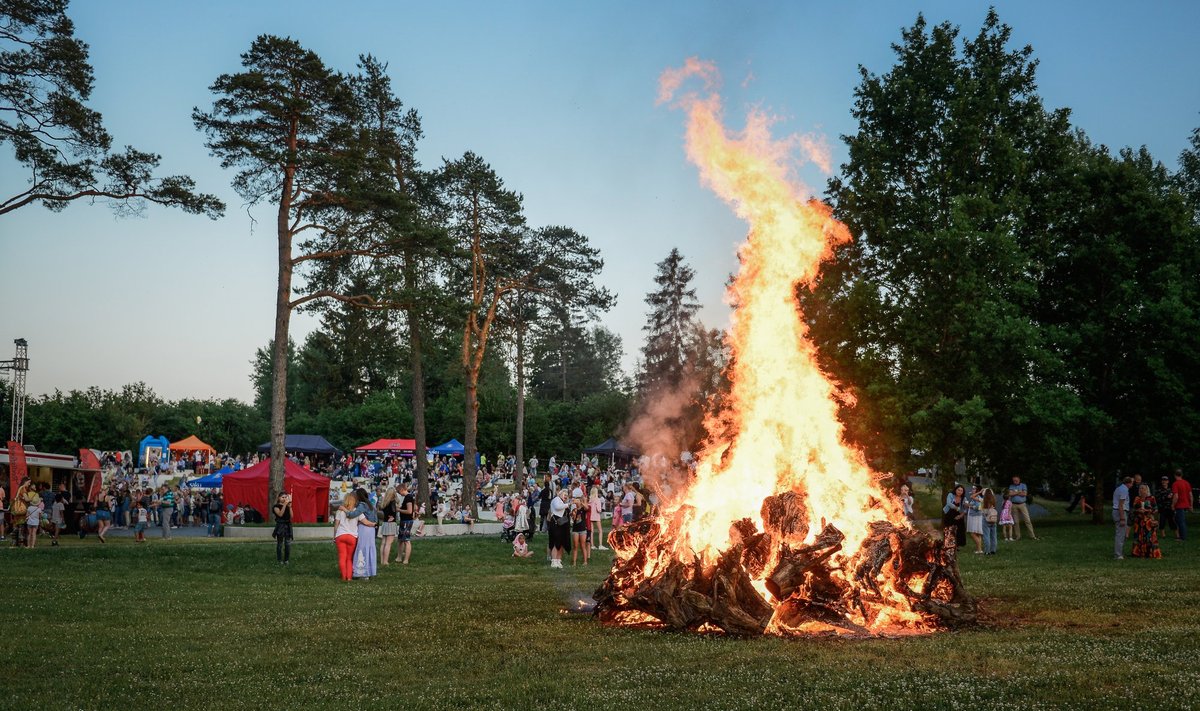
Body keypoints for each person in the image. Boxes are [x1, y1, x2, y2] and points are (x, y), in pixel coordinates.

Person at [351, 487, 378, 580]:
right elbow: (376, 519)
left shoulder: (362, 505)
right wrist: (373, 524)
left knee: (362, 548)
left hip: (364, 529)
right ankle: (370, 571)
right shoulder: (371, 505)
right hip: (371, 530)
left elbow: (354, 514)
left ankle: (362, 572)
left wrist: (345, 511)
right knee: (370, 548)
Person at [1131, 484, 1161, 559]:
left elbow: (1156, 508)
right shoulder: (1137, 498)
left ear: (1147, 490)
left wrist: (1148, 511)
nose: (1141, 490)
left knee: (1149, 536)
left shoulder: (1151, 498)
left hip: (1149, 520)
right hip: (1139, 521)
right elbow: (1133, 509)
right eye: (1140, 488)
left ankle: (1150, 553)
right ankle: (1138, 553)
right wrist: (1138, 510)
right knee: (1139, 537)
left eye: (1143, 488)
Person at [333, 494, 359, 581]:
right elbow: (363, 521)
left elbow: (336, 524)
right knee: (349, 558)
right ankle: (349, 577)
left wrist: (334, 536)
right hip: (352, 536)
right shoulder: (357, 511)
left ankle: (343, 577)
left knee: (342, 557)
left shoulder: (340, 511)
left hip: (341, 535)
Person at [548, 488, 570, 568]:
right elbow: (557, 507)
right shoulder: (556, 500)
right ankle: (554, 560)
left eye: (567, 495)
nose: (566, 496)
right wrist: (568, 504)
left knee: (561, 543)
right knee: (555, 542)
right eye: (564, 494)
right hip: (556, 523)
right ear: (560, 494)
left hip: (562, 524)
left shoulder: (563, 502)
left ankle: (558, 560)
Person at [378, 487, 398, 565]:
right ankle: (386, 561)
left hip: (385, 523)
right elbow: (393, 512)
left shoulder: (384, 503)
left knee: (383, 542)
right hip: (391, 523)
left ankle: (382, 560)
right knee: (388, 543)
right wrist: (393, 516)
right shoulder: (392, 502)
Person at [1113, 475, 1131, 560]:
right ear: (1128, 483)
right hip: (1120, 512)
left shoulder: (1118, 488)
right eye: (1132, 483)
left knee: (1119, 533)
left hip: (1116, 511)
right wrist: (1122, 518)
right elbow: (1121, 505)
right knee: (1120, 534)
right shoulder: (1124, 490)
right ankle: (1118, 554)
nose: (1132, 485)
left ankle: (1118, 553)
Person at [1170, 469, 1192, 542]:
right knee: (1179, 520)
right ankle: (1181, 536)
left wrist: (1173, 505)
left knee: (1181, 521)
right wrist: (1191, 505)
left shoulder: (1175, 484)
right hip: (1186, 504)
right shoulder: (1186, 483)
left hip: (1179, 505)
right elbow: (1190, 495)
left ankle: (1183, 538)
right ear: (1181, 475)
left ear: (1175, 475)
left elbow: (1176, 496)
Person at [396, 483, 415, 565]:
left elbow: (409, 511)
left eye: (398, 491)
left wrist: (399, 510)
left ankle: (406, 559)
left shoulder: (408, 498)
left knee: (406, 540)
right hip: (404, 520)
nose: (398, 493)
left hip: (407, 521)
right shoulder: (407, 498)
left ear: (401, 489)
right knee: (400, 540)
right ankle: (399, 557)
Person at [272, 492, 293, 564]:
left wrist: (290, 507)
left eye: (285, 497)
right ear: (279, 498)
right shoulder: (276, 506)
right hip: (280, 526)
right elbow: (280, 514)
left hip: (288, 526)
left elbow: (291, 516)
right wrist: (284, 505)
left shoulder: (287, 506)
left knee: (287, 544)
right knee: (280, 544)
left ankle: (286, 560)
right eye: (282, 497)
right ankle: (279, 560)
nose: (284, 499)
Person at [570, 497, 590, 566]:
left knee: (583, 545)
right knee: (575, 546)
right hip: (575, 530)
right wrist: (573, 514)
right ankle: (574, 562)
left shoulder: (583, 509)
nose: (577, 502)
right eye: (576, 500)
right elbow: (573, 519)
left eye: (578, 500)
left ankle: (585, 561)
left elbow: (587, 508)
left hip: (583, 530)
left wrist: (581, 503)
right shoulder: (574, 510)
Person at [965, 485, 984, 554]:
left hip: (975, 517)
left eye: (974, 489)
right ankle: (979, 549)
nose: (972, 489)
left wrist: (969, 505)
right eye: (972, 488)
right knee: (977, 534)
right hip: (973, 516)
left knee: (973, 533)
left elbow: (978, 508)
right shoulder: (974, 498)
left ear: (977, 490)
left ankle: (979, 549)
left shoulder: (978, 498)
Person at [981, 489, 998, 555]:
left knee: (986, 536)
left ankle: (987, 551)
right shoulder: (994, 500)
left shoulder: (983, 500)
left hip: (986, 519)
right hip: (993, 518)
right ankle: (993, 550)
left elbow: (983, 511)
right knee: (994, 536)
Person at [589, 486, 607, 550]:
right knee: (600, 531)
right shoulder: (598, 499)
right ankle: (600, 545)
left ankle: (592, 545)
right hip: (596, 516)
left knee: (591, 531)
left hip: (591, 516)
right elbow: (599, 510)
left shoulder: (590, 500)